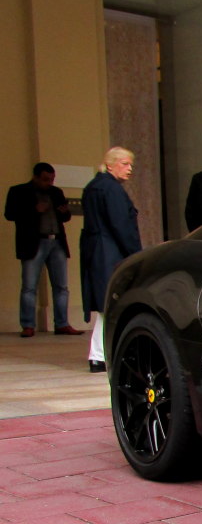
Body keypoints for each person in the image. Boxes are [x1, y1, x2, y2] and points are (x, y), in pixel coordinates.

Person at [81, 147, 142, 373]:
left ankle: (99, 354)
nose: (130, 169)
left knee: (106, 304)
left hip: (96, 249)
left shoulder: (93, 187)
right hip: (110, 252)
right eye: (125, 164)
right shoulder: (111, 189)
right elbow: (121, 225)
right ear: (110, 165)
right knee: (112, 301)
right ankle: (100, 354)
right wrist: (137, 255)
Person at [5, 163, 82, 337]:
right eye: (46, 179)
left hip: (57, 242)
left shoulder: (56, 193)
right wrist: (34, 210)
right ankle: (28, 325)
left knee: (61, 286)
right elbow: (10, 214)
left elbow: (66, 217)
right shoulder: (19, 191)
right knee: (29, 286)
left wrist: (65, 212)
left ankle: (62, 323)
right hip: (34, 243)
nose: (49, 183)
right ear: (36, 177)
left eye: (52, 179)